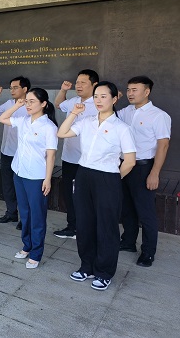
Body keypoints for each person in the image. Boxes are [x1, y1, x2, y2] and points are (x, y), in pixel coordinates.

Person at [58, 81, 136, 290]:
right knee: (84, 224)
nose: (98, 100)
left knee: (106, 227)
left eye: (103, 96)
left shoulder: (122, 128)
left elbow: (129, 161)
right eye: (96, 96)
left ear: (114, 99)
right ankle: (87, 266)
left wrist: (113, 180)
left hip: (108, 177)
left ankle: (104, 272)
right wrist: (74, 113)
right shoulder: (86, 122)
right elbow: (62, 133)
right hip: (84, 174)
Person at [0, 88, 58, 268]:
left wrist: (48, 179)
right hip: (19, 173)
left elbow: (51, 156)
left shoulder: (49, 127)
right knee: (24, 213)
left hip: (37, 177)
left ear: (43, 104)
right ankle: (27, 246)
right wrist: (17, 105)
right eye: (27, 101)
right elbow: (2, 118)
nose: (28, 105)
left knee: (37, 216)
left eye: (32, 101)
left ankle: (36, 253)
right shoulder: (23, 120)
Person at [118, 76, 171, 267]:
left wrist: (154, 173)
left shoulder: (159, 116)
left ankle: (148, 252)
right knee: (126, 208)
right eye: (128, 89)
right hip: (124, 166)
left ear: (146, 92)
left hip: (143, 168)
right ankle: (128, 242)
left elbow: (163, 146)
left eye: (135, 90)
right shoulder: (126, 112)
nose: (130, 93)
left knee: (145, 212)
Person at [53, 69, 99, 239]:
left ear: (94, 84)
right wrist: (63, 90)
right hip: (69, 157)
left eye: (83, 82)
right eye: (77, 82)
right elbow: (58, 104)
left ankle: (86, 229)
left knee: (85, 196)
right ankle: (72, 226)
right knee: (69, 193)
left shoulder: (98, 105)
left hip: (88, 160)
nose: (78, 85)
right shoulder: (74, 101)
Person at [0, 76, 31, 230]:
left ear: (25, 89)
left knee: (22, 187)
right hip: (6, 150)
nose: (12, 90)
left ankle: (24, 218)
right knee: (8, 184)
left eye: (15, 87)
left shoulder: (29, 105)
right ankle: (11, 212)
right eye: (11, 88)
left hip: (22, 153)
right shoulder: (9, 103)